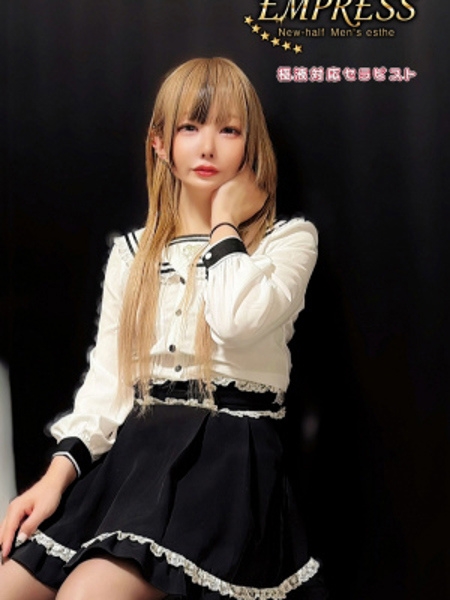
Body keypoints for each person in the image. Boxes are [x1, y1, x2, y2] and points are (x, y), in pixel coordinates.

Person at [0, 57, 326, 600]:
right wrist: (53, 480)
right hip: (132, 461)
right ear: (159, 142)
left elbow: (235, 321)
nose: (207, 147)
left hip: (224, 465)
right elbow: (108, 383)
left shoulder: (286, 242)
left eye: (229, 130)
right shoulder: (132, 254)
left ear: (250, 145)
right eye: (190, 127)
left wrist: (224, 224)